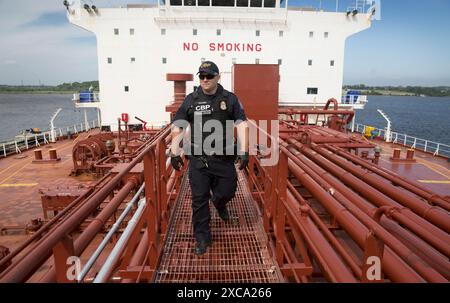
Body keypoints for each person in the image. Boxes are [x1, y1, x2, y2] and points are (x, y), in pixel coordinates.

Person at [170, 61, 249, 255]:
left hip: (223, 158)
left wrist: (244, 150)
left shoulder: (229, 99)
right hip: (198, 159)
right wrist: (174, 151)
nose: (204, 80)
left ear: (217, 77)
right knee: (199, 200)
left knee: (228, 190)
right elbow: (178, 126)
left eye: (209, 76)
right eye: (201, 76)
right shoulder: (191, 100)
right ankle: (202, 238)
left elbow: (242, 124)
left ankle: (220, 203)